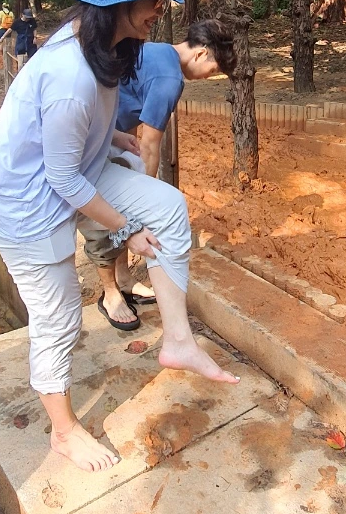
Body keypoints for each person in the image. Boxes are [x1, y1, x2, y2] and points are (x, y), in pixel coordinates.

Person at [0, 0, 238, 473]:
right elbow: (60, 176)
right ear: (120, 0)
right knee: (59, 319)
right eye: (154, 0)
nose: (160, 10)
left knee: (167, 206)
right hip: (27, 201)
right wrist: (126, 228)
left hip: (78, 167)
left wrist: (113, 137)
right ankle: (64, 432)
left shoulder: (110, 46)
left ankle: (179, 340)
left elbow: (78, 139)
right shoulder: (69, 74)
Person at [87, 19, 235, 329]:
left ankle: (124, 278)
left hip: (112, 132)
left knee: (121, 211)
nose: (209, 77)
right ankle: (110, 293)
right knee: (109, 214)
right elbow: (150, 145)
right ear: (201, 53)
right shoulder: (170, 78)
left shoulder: (155, 50)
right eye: (213, 69)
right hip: (96, 139)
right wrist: (146, 198)